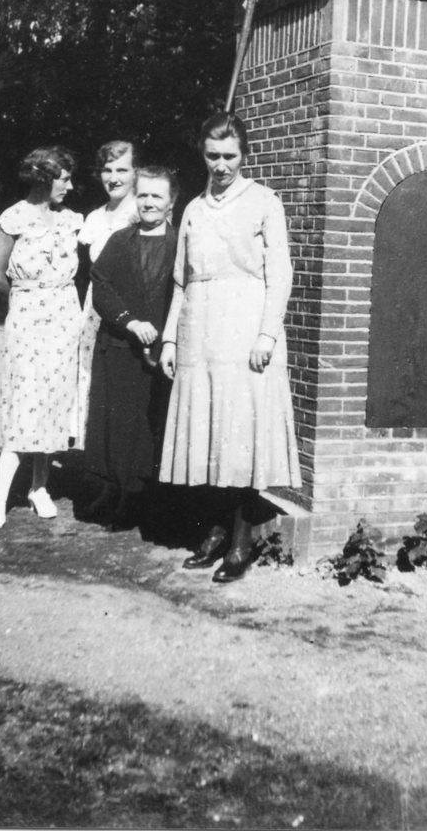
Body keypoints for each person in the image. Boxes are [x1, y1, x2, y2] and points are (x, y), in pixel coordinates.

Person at [159, 111, 302, 583]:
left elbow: (280, 275)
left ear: (244, 155)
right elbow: (181, 281)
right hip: (200, 330)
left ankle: (242, 540)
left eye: (230, 156)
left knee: (241, 434)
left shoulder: (264, 202)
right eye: (212, 156)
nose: (221, 165)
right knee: (209, 432)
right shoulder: (194, 210)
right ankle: (217, 531)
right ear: (202, 156)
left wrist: (266, 335)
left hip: (245, 329)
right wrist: (170, 337)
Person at [0, 146, 82, 528]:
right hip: (27, 318)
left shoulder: (71, 220)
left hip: (65, 319)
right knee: (25, 400)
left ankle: (39, 487)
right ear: (43, 179)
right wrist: (26, 302)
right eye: (64, 179)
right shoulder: (13, 218)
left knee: (55, 400)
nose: (69, 187)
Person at [83, 165, 178, 528]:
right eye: (143, 195)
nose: (149, 202)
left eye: (157, 195)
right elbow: (100, 285)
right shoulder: (120, 241)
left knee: (148, 423)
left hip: (161, 352)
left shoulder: (180, 244)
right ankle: (111, 489)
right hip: (120, 346)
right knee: (115, 420)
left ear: (172, 201)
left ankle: (138, 496)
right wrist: (130, 322)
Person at [74, 140, 138, 448]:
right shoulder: (94, 219)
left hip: (129, 309)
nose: (113, 178)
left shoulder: (143, 211)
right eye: (107, 170)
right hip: (95, 311)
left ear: (136, 172)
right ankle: (95, 463)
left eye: (122, 170)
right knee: (93, 381)